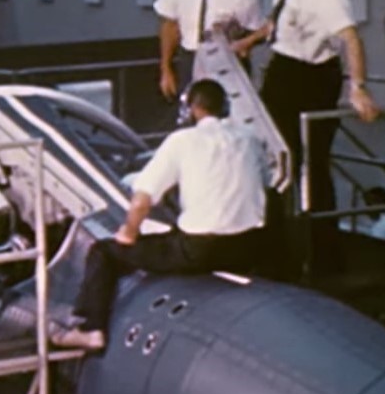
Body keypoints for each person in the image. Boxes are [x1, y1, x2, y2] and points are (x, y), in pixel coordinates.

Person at [52, 79, 269, 351]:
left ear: (192, 109)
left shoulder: (182, 141)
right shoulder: (249, 137)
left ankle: (91, 330)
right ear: (225, 106)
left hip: (201, 250)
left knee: (103, 252)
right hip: (250, 248)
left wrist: (128, 234)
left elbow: (142, 201)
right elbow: (266, 185)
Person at [231, 0, 381, 274]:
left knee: (310, 162)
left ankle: (322, 249)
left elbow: (350, 37)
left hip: (313, 75)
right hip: (284, 68)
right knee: (274, 156)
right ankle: (274, 241)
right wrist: (248, 42)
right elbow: (277, 20)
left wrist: (357, 87)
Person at [155, 0, 263, 101]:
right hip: (189, 56)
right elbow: (169, 26)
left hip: (227, 59)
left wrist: (244, 45)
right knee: (189, 106)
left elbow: (256, 29)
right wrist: (166, 68)